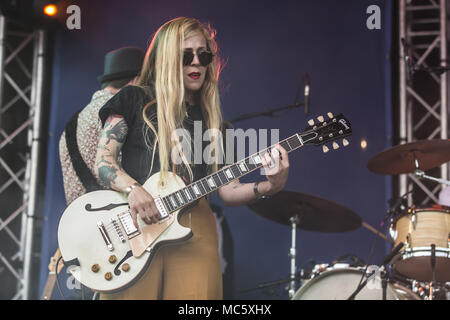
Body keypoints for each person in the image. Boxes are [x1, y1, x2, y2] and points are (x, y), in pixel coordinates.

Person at [95, 17, 289, 300]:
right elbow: (104, 161)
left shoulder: (214, 124)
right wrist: (133, 189)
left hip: (194, 226)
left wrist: (271, 186)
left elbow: (229, 190)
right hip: (136, 221)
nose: (197, 62)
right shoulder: (134, 98)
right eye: (186, 55)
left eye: (204, 55)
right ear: (166, 59)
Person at [47, 47, 144, 292]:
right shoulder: (119, 117)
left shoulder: (73, 124)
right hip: (123, 245)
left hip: (85, 247)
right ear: (135, 82)